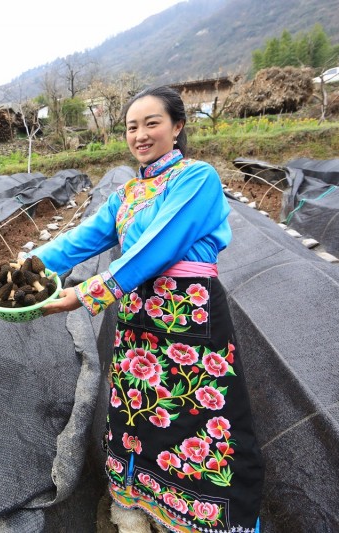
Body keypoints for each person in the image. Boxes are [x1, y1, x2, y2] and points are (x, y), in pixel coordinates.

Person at [32, 86, 264, 533]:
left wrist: (86, 294)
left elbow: (157, 247)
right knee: (136, 410)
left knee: (200, 417)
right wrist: (28, 267)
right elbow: (79, 240)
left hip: (187, 316)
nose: (140, 135)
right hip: (138, 318)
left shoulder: (197, 178)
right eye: (131, 127)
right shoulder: (126, 194)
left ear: (177, 127)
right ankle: (133, 502)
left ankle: (204, 518)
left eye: (151, 123)